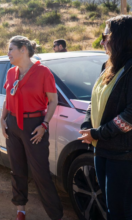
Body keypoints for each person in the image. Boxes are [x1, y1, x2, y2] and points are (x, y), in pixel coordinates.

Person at [0, 36, 63, 220]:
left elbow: (53, 101)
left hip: (34, 126)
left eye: (11, 49)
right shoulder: (11, 72)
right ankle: (20, 209)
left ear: (24, 50)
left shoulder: (43, 72)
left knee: (40, 172)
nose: (8, 53)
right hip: (13, 124)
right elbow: (8, 98)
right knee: (17, 169)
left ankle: (55, 215)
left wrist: (44, 125)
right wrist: (3, 120)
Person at [78, 15, 132, 220]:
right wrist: (87, 126)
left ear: (120, 37)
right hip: (101, 149)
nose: (101, 42)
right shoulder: (107, 66)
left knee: (121, 211)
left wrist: (98, 133)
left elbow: (130, 116)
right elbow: (95, 101)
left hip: (124, 154)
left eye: (105, 36)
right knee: (111, 207)